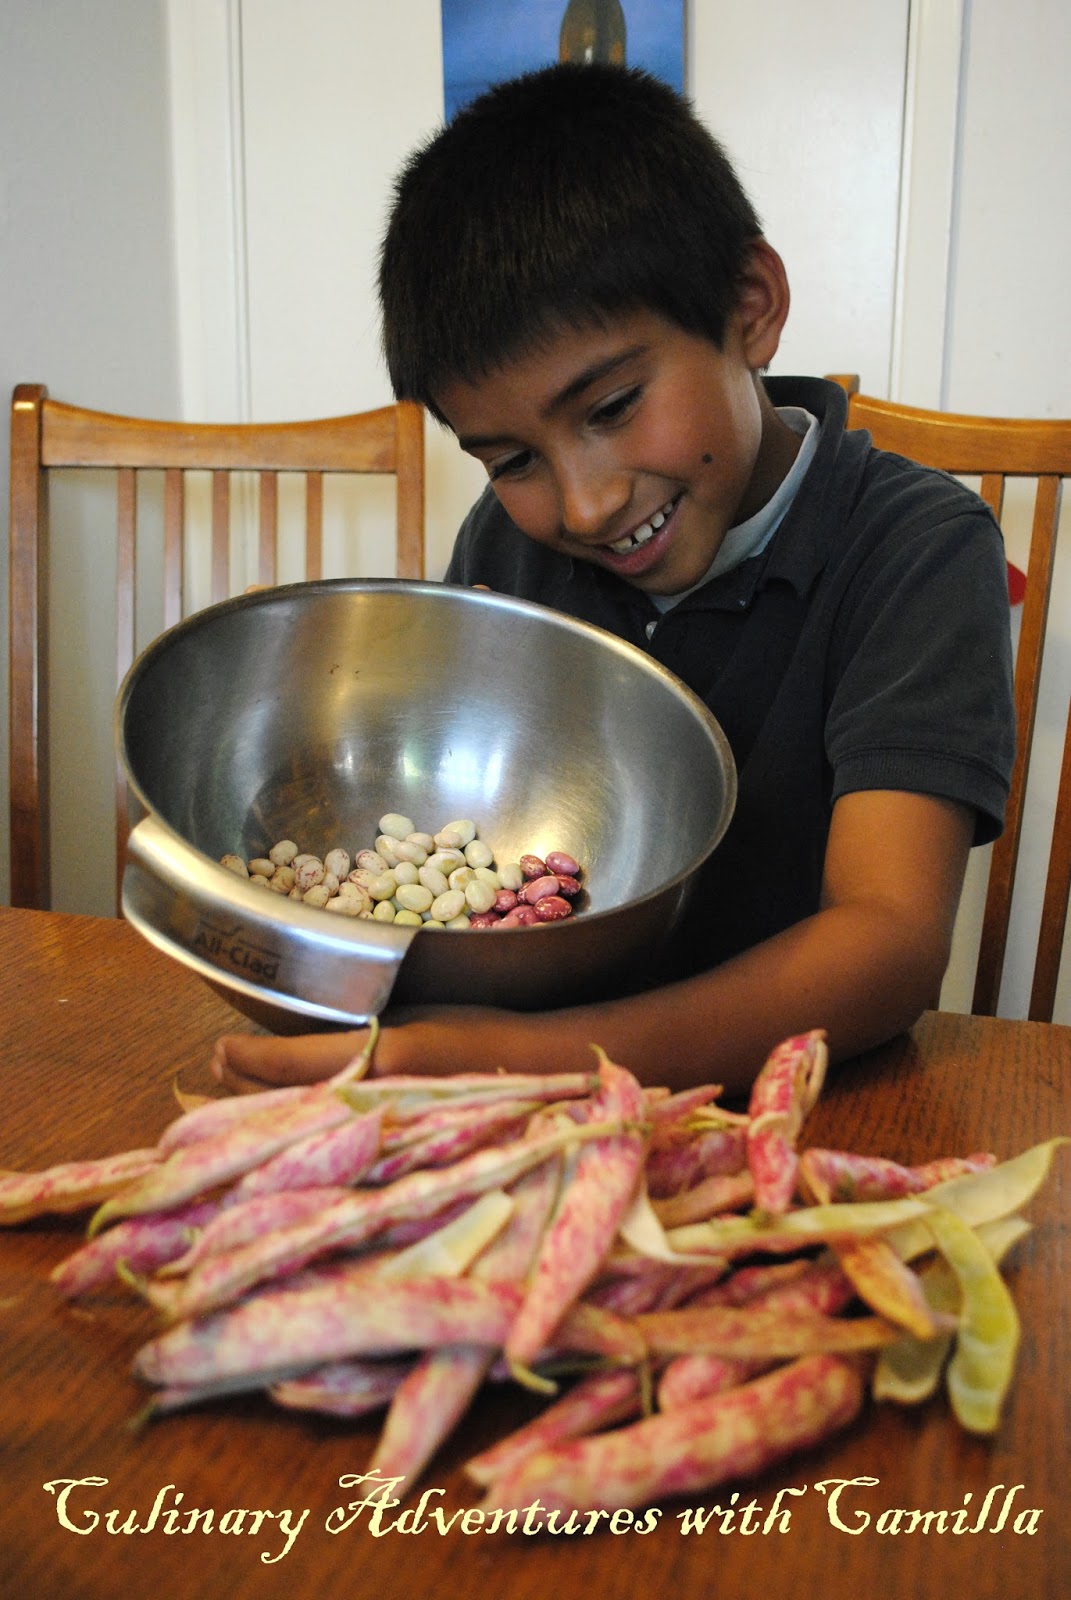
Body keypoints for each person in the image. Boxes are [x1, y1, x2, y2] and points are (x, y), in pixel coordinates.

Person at [213, 62, 1015, 1099]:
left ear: (751, 307)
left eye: (612, 407)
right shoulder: (508, 551)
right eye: (510, 461)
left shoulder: (916, 548)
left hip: (792, 1113)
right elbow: (479, 855)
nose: (583, 506)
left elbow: (890, 944)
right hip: (513, 1102)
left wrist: (513, 1060)